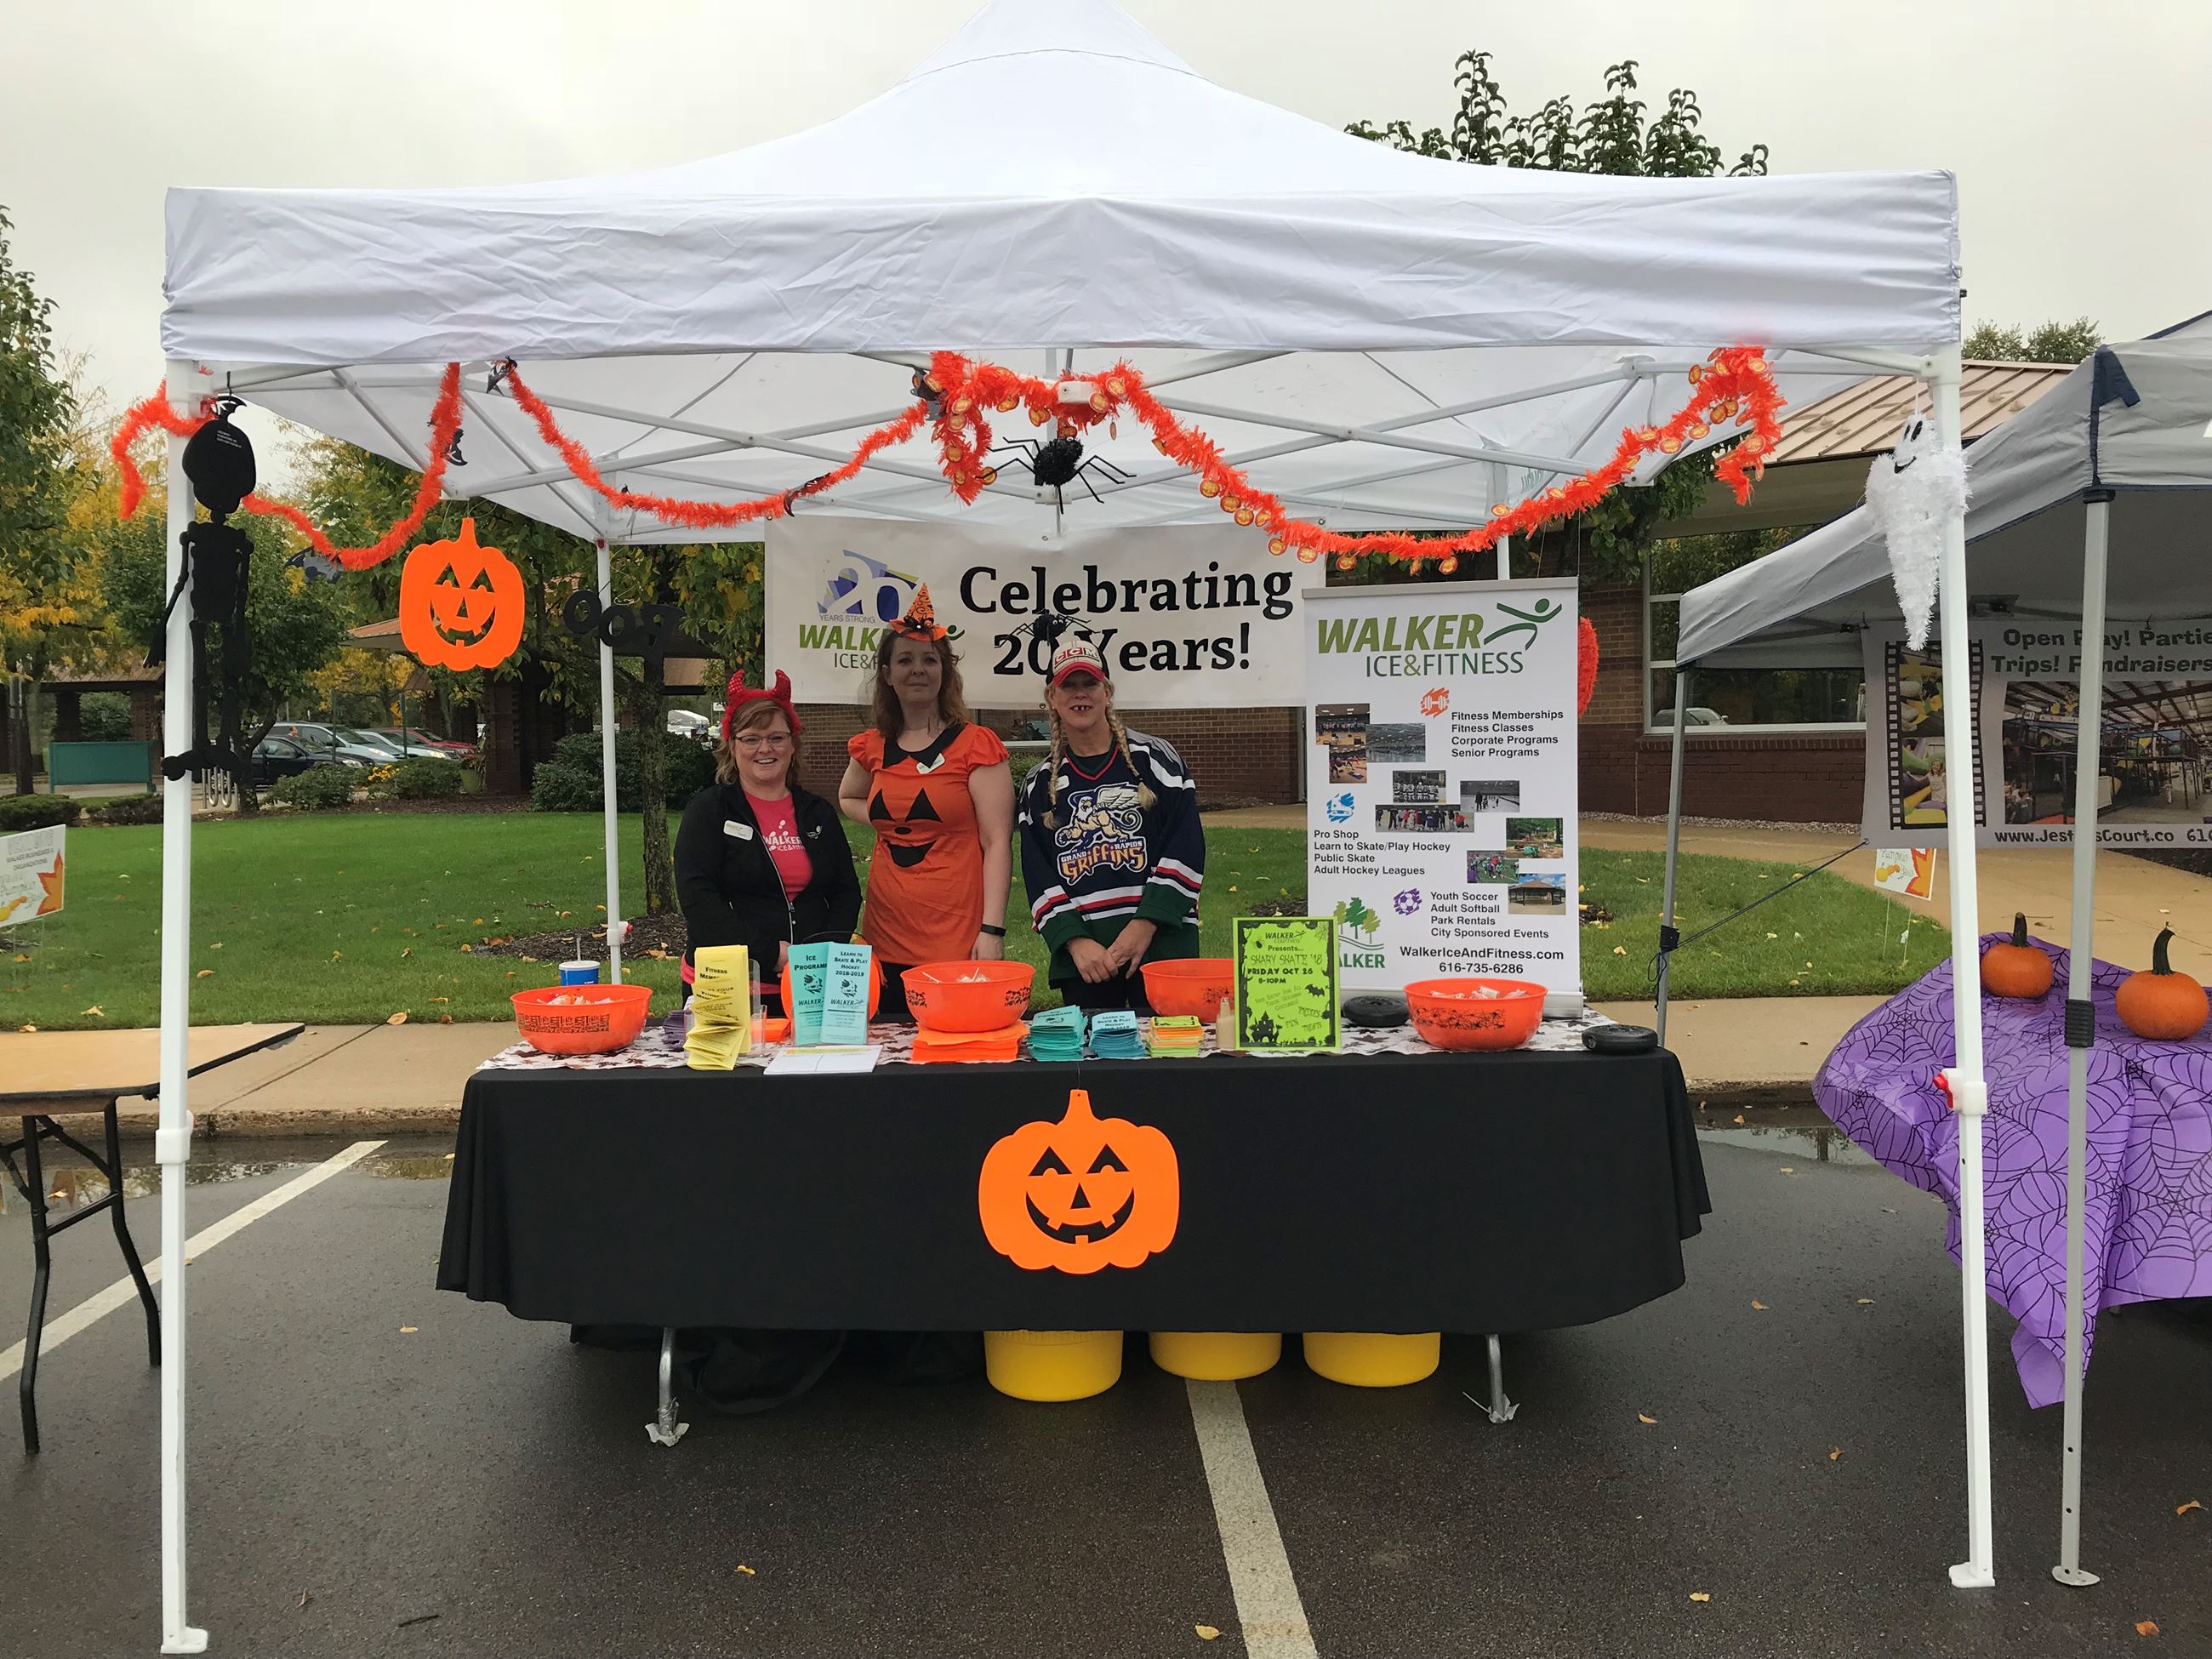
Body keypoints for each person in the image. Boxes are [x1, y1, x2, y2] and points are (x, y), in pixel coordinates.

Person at [838, 586, 1014, 1019]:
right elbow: (847, 797)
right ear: (886, 672)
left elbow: (997, 843)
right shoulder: (873, 745)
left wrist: (991, 930)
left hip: (955, 937)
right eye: (905, 660)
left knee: (957, 1057)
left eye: (929, 660)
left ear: (945, 672)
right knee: (892, 1057)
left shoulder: (976, 746)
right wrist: (888, 822)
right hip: (885, 934)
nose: (918, 670)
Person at [1017, 635, 1204, 1014]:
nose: (1079, 694)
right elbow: (1037, 873)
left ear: (1108, 692)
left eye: (1090, 683)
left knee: (1169, 1062)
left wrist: (1145, 925)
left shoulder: (1156, 761)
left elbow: (1185, 847)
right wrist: (1074, 942)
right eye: (1068, 685)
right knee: (1091, 1068)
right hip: (1087, 963)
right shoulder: (1039, 786)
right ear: (1051, 696)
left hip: (1161, 948)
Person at [674, 671, 860, 1014]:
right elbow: (699, 900)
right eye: (751, 739)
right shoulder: (709, 811)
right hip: (729, 984)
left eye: (776, 737)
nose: (765, 748)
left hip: (809, 982)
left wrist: (821, 953)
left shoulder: (817, 812)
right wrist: (772, 954)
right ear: (731, 744)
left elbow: (845, 891)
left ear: (793, 744)